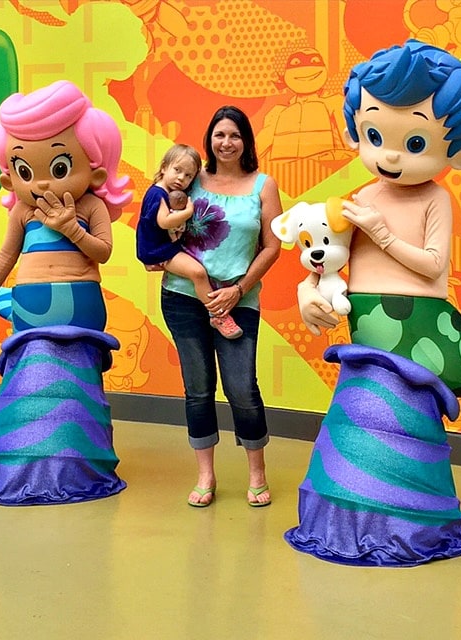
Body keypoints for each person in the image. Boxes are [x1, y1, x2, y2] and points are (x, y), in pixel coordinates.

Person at [298, 39, 461, 396]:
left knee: (414, 403)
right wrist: (308, 290)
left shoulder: (435, 199)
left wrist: (383, 234)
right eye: (374, 136)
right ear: (353, 134)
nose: (390, 157)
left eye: (416, 144)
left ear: (457, 154)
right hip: (365, 318)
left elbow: (433, 265)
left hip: (425, 321)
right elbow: (329, 259)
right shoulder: (363, 196)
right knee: (378, 400)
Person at [161, 105, 282, 507]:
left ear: (246, 140)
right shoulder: (191, 180)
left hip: (238, 300)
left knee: (242, 389)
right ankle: (206, 475)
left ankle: (257, 474)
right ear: (209, 140)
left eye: (234, 135)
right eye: (219, 135)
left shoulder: (263, 185)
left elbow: (272, 246)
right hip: (183, 297)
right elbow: (157, 220)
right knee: (198, 390)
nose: (226, 142)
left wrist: (240, 288)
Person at [0, 80, 131, 332]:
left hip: (82, 305)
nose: (42, 183)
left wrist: (72, 230)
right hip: (29, 304)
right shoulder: (23, 211)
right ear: (9, 179)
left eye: (60, 168)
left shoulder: (91, 205)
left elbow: (103, 252)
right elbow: (6, 255)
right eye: (24, 171)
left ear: (95, 173)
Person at [136, 144, 242, 339]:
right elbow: (164, 221)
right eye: (177, 170)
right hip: (158, 250)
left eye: (188, 176)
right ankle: (218, 315)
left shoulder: (167, 192)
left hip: (164, 245)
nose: (181, 178)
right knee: (198, 273)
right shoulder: (157, 193)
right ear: (164, 168)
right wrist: (187, 213)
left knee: (198, 271)